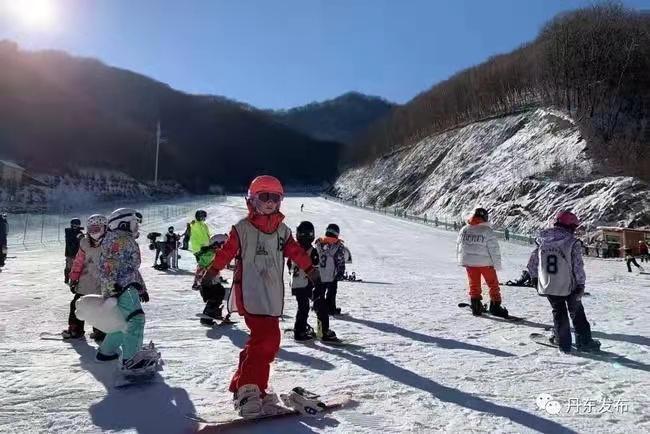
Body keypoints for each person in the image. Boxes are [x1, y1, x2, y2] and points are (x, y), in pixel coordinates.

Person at [203, 175, 319, 418]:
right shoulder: (242, 228)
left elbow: (296, 251)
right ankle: (249, 390)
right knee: (267, 339)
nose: (270, 202)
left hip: (272, 295)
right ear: (252, 199)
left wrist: (310, 269)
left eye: (275, 197)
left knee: (262, 341)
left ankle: (247, 386)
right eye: (264, 196)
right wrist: (212, 271)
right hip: (251, 292)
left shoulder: (282, 231)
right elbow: (226, 252)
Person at [96, 208, 159, 375]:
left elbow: (130, 269)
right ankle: (131, 360)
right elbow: (108, 265)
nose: (136, 227)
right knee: (136, 319)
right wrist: (112, 286)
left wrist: (142, 288)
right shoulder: (118, 239)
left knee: (123, 320)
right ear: (122, 223)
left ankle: (106, 351)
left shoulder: (123, 239)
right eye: (134, 223)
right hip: (121, 286)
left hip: (125, 285)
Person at [527, 211, 600, 353]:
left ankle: (563, 343)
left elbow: (532, 263)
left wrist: (535, 279)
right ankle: (584, 342)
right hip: (570, 285)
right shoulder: (571, 243)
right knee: (577, 312)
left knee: (558, 313)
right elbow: (577, 265)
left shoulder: (542, 241)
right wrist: (581, 284)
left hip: (549, 284)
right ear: (570, 226)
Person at [456, 208, 508, 317]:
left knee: (473, 285)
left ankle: (476, 307)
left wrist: (462, 261)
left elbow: (460, 247)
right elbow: (494, 250)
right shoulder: (487, 231)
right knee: (493, 284)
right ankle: (495, 307)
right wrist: (497, 265)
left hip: (470, 263)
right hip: (486, 263)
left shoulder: (464, 229)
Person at [64, 214, 108, 341]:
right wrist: (73, 278)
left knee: (100, 307)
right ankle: (75, 329)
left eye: (97, 229)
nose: (94, 232)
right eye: (91, 229)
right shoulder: (85, 243)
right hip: (85, 282)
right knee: (77, 305)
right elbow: (78, 261)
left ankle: (101, 331)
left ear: (104, 228)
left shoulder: (109, 243)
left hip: (102, 284)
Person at [287, 221, 320, 341]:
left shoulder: (295, 249)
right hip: (305, 284)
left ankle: (301, 327)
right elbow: (316, 267)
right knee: (304, 307)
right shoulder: (312, 251)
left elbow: (289, 264)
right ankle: (299, 331)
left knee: (303, 306)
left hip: (296, 283)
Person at [314, 224, 347, 321]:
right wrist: (341, 271)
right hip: (332, 274)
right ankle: (330, 308)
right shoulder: (337, 245)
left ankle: (317, 306)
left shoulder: (319, 243)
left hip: (320, 273)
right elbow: (340, 260)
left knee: (320, 291)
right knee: (331, 292)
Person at [195, 233, 229, 325]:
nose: (225, 248)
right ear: (217, 244)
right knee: (216, 294)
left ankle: (212, 313)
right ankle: (209, 314)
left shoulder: (213, 253)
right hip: (206, 281)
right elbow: (201, 266)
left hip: (210, 280)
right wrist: (198, 279)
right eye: (223, 245)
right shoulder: (211, 254)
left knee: (219, 292)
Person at [64, 218, 84, 283]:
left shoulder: (80, 233)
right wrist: (77, 235)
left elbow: (82, 242)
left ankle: (73, 280)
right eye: (74, 225)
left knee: (76, 267)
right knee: (69, 267)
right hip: (69, 253)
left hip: (77, 253)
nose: (75, 226)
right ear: (71, 225)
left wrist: (80, 235)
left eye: (77, 225)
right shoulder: (68, 231)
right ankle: (67, 278)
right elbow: (70, 239)